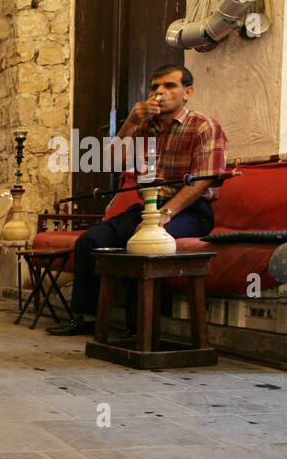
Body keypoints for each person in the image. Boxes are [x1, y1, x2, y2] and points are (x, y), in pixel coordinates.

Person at [48, 64, 227, 336]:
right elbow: (110, 162)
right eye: (155, 87)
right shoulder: (144, 128)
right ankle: (86, 318)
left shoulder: (204, 127)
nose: (159, 93)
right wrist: (131, 121)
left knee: (142, 242)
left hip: (190, 211)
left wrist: (164, 215)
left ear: (187, 92)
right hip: (148, 207)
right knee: (90, 241)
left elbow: (202, 182)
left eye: (169, 86)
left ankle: (138, 328)